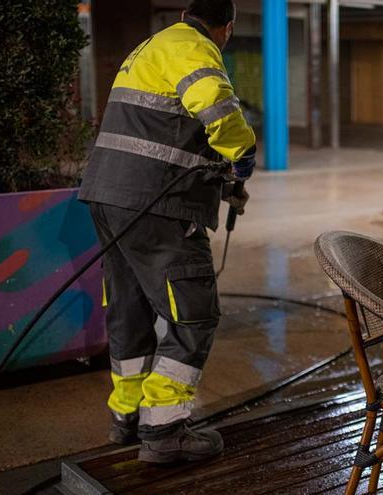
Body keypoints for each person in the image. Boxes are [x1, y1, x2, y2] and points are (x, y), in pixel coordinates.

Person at [77, 0, 255, 463]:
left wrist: (220, 178)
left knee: (129, 310)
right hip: (156, 207)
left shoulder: (152, 47)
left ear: (185, 14)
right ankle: (165, 431)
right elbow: (216, 107)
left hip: (109, 197)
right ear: (227, 28)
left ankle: (128, 417)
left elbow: (166, 134)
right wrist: (242, 153)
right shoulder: (195, 48)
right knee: (194, 314)